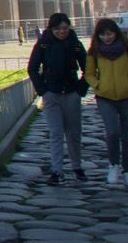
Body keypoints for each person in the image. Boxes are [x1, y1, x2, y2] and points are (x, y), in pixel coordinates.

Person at [27, 13, 88, 185]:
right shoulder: (43, 44)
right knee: (55, 133)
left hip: (71, 94)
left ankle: (77, 166)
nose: (62, 32)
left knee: (74, 133)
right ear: (51, 29)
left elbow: (88, 68)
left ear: (69, 28)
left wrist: (80, 90)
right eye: (58, 29)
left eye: (65, 28)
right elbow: (32, 68)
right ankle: (57, 170)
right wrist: (43, 91)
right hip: (51, 94)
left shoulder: (75, 44)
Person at [85, 17, 128, 187]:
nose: (106, 38)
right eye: (102, 35)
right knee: (112, 133)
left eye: (109, 34)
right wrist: (98, 85)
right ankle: (114, 166)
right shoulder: (94, 52)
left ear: (116, 33)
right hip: (105, 98)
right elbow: (89, 73)